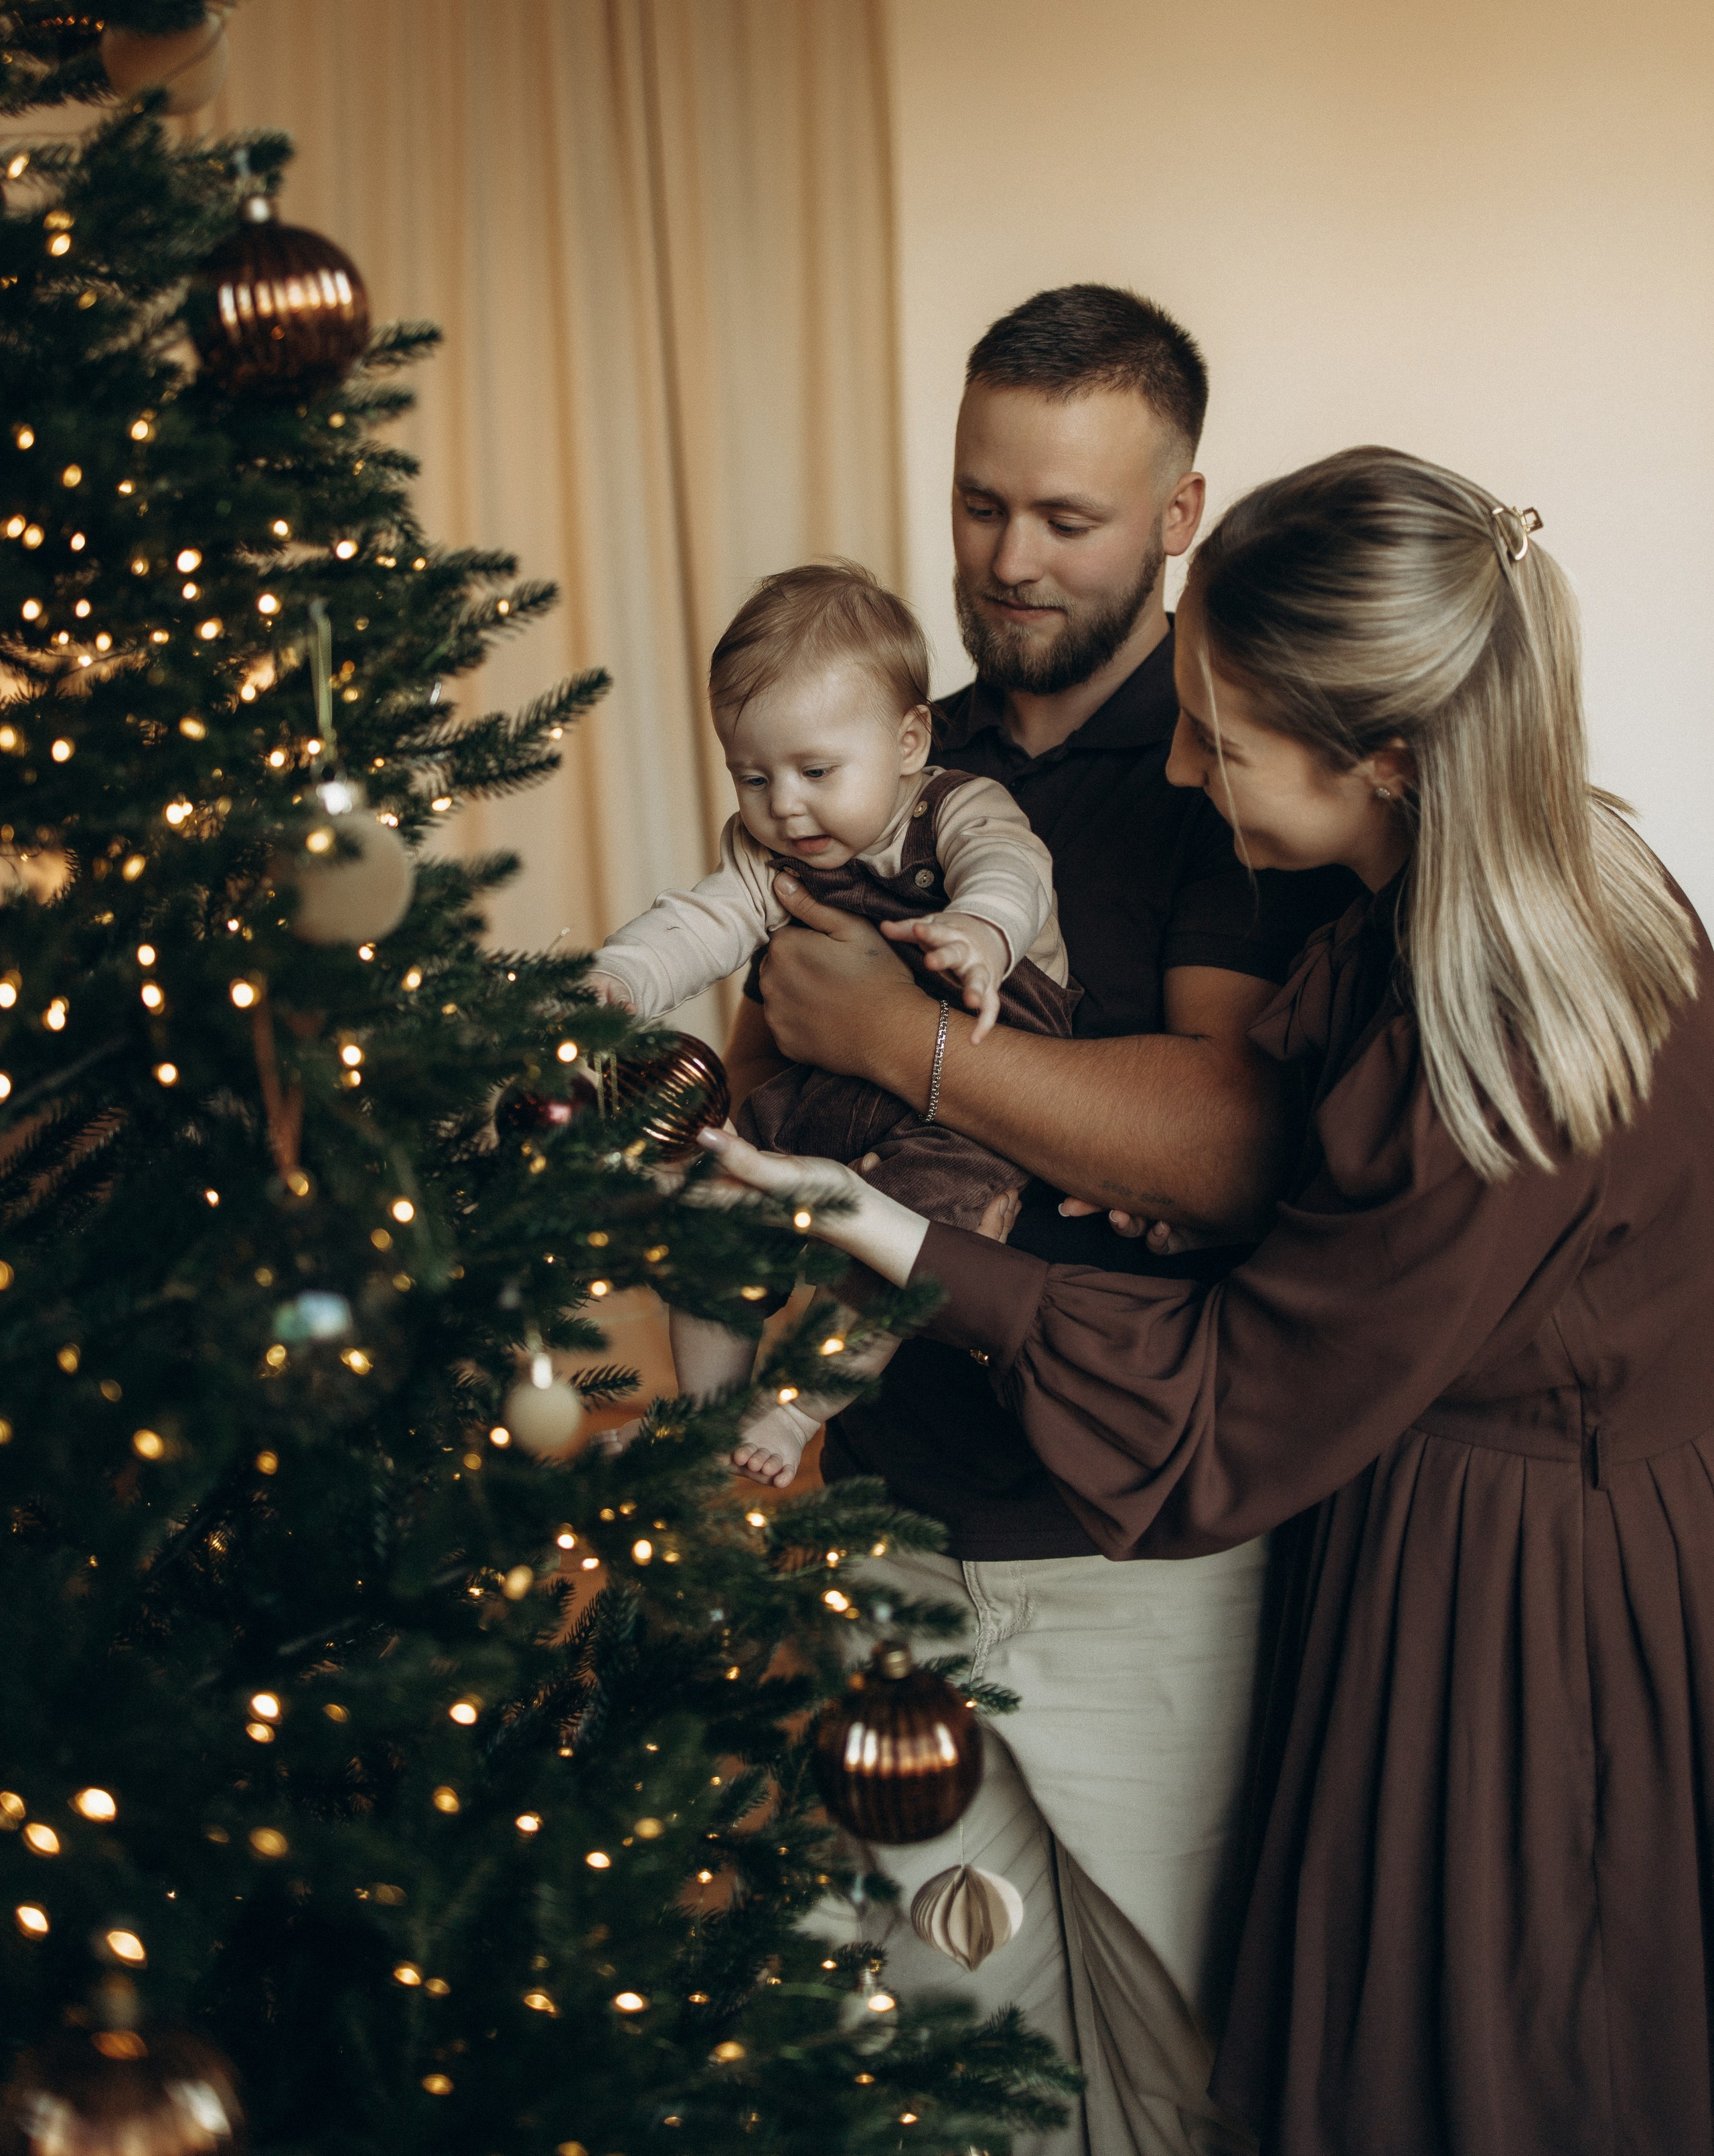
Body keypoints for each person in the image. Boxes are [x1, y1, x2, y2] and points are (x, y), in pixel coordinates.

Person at [702, 444, 1713, 2156]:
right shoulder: (1509, 895)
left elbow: (1240, 1394)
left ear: (1382, 761)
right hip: (1453, 1513)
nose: (1181, 766)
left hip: (1517, 1591)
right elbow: (1364, 1228)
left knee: (1497, 2050)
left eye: (1221, 741)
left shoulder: (1500, 1034)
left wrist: (894, 1242)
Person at [724, 286, 1354, 2156]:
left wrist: (907, 1043)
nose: (1006, 559)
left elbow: (1226, 1142)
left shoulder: (1230, 767)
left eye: (1066, 517)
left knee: (1175, 2074)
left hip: (1138, 1552)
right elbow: (777, 1055)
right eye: (979, 501)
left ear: (1180, 514)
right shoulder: (882, 744)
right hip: (889, 1512)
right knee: (936, 2070)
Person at [587, 558, 1077, 1483]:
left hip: (973, 1106)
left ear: (907, 739)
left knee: (915, 1240)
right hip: (836, 1091)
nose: (784, 805)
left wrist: (982, 927)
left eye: (815, 770)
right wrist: (619, 980)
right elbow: (701, 922)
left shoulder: (958, 808)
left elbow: (1013, 868)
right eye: (751, 775)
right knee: (709, 1201)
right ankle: (701, 1413)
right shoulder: (770, 852)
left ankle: (798, 1410)